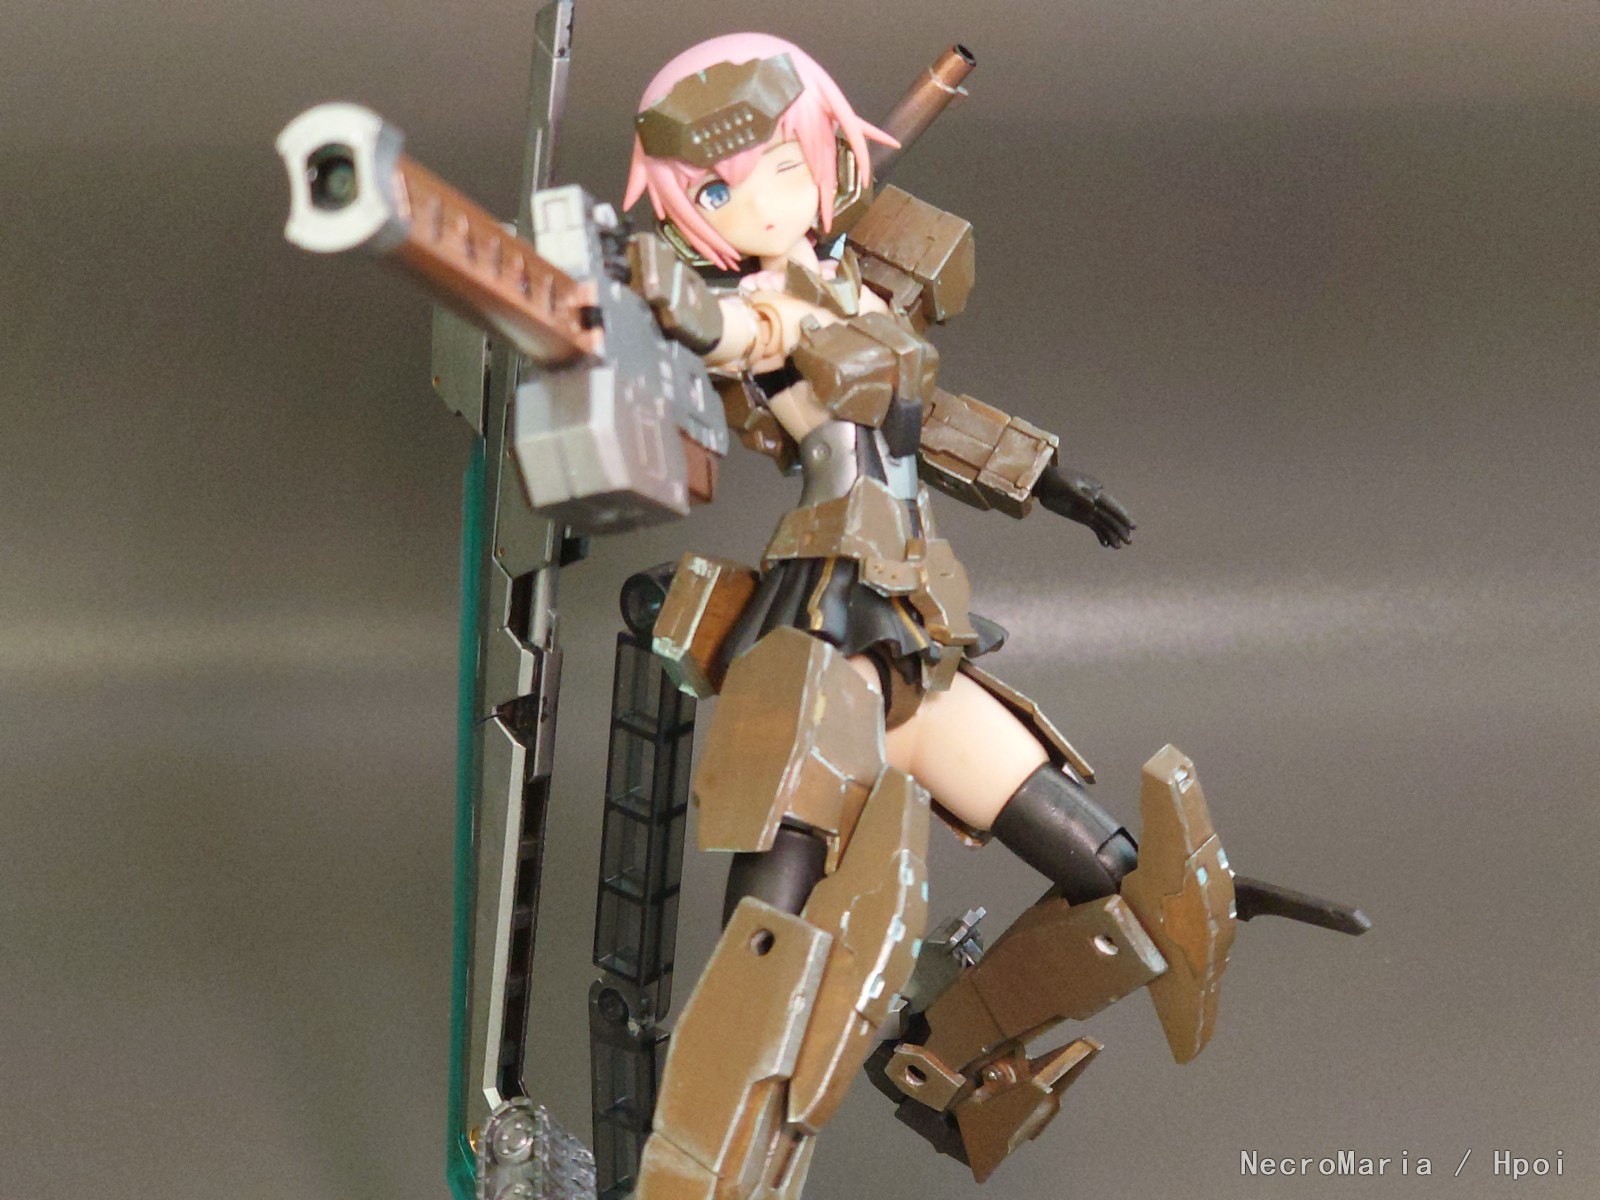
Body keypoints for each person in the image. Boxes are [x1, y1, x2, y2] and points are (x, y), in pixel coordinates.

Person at [622, 33, 1185, 1200]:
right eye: (719, 193)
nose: (760, 203)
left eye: (784, 167)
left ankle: (931, 1058)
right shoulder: (763, 309)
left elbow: (922, 411)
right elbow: (742, 337)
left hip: (911, 639)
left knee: (1123, 881)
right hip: (820, 640)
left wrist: (1046, 476)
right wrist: (677, 303)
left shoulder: (849, 287)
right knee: (767, 956)